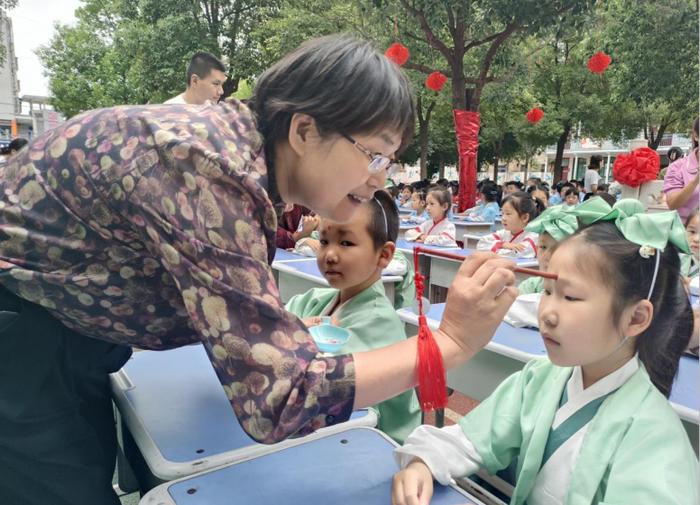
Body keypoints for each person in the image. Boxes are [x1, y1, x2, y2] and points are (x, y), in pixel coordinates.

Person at [0, 35, 520, 505]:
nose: (379, 179)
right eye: (375, 154)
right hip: (21, 339)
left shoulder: (234, 157)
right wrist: (450, 341)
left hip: (54, 333)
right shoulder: (209, 170)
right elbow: (281, 399)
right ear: (305, 130)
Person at [392, 199, 698, 505]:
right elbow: (471, 440)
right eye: (548, 291)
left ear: (636, 318)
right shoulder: (540, 378)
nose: (547, 313)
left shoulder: (655, 439)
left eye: (571, 297)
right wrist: (424, 462)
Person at [286, 191, 421, 443]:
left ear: (384, 254)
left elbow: (319, 384)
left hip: (378, 445)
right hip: (335, 436)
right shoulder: (315, 299)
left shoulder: (379, 322)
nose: (330, 255)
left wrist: (289, 334)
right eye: (324, 241)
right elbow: (268, 325)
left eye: (346, 243)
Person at [477, 192, 542, 259]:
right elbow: (481, 243)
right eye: (502, 213)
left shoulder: (533, 237)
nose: (503, 218)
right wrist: (503, 244)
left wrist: (495, 247)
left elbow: (516, 254)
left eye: (508, 214)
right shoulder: (505, 232)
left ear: (525, 217)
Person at [664, 118, 699, 221]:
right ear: (696, 136)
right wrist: (695, 181)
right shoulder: (677, 168)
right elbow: (672, 204)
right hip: (686, 232)